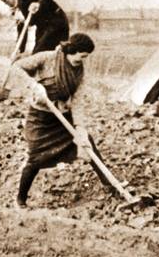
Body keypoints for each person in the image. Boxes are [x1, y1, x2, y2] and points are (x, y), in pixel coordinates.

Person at [12, 33, 115, 207]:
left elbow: (77, 101)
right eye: (81, 56)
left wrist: (80, 128)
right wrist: (34, 85)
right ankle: (20, 199)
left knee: (87, 144)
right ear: (71, 51)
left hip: (63, 117)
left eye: (86, 58)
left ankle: (110, 185)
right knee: (36, 157)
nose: (82, 61)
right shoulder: (47, 58)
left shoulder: (79, 72)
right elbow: (16, 67)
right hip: (41, 118)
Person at [0, 0, 70, 54]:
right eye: (4, 1)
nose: (5, 2)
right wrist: (20, 50)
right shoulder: (16, 12)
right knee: (36, 54)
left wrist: (39, 3)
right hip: (42, 27)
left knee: (43, 52)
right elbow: (22, 31)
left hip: (57, 21)